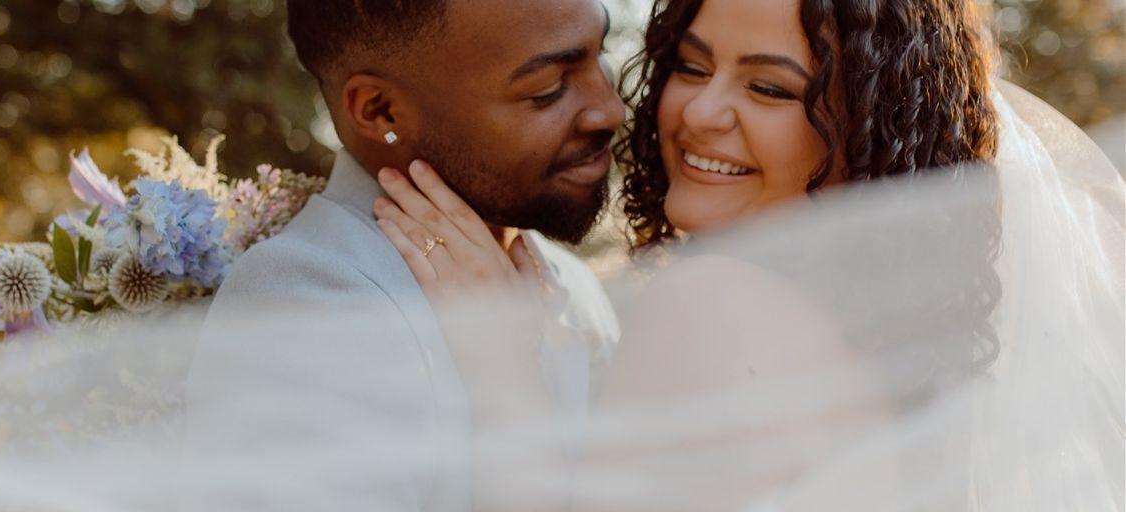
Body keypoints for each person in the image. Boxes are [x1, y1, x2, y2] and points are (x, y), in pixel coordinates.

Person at [373, 0, 1123, 510]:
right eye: (693, 67)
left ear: (870, 128)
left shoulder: (714, 301)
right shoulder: (893, 345)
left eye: (768, 88)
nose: (699, 112)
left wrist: (502, 368)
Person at [185, 0, 624, 510]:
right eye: (547, 89)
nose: (610, 109)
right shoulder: (303, 304)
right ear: (381, 111)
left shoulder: (570, 282)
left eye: (601, 53)